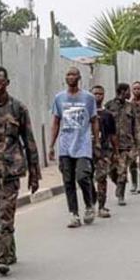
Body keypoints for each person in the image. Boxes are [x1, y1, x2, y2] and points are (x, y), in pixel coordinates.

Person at [0, 65, 41, 275]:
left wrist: (34, 172)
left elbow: (29, 141)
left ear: (7, 83)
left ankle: (1, 259)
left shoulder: (18, 108)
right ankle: (9, 249)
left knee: (6, 215)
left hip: (11, 171)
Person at [49, 67, 98, 228]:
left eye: (73, 74)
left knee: (83, 176)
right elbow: (56, 122)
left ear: (79, 78)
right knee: (68, 181)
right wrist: (51, 145)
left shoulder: (88, 98)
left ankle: (89, 205)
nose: (70, 77)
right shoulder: (59, 98)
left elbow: (94, 120)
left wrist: (96, 141)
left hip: (83, 144)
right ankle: (74, 214)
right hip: (65, 146)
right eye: (68, 74)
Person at [105, 82, 140, 206]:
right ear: (122, 92)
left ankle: (121, 195)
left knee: (122, 170)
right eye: (128, 91)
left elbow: (135, 127)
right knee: (112, 172)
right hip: (111, 145)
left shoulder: (130, 107)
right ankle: (118, 185)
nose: (130, 93)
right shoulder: (109, 106)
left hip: (126, 145)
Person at [91, 84, 118, 218]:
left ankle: (101, 207)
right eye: (95, 93)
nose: (98, 96)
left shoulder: (108, 115)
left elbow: (113, 135)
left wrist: (116, 152)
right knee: (86, 178)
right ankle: (91, 199)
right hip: (86, 151)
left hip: (103, 151)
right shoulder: (85, 112)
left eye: (100, 94)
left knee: (101, 178)